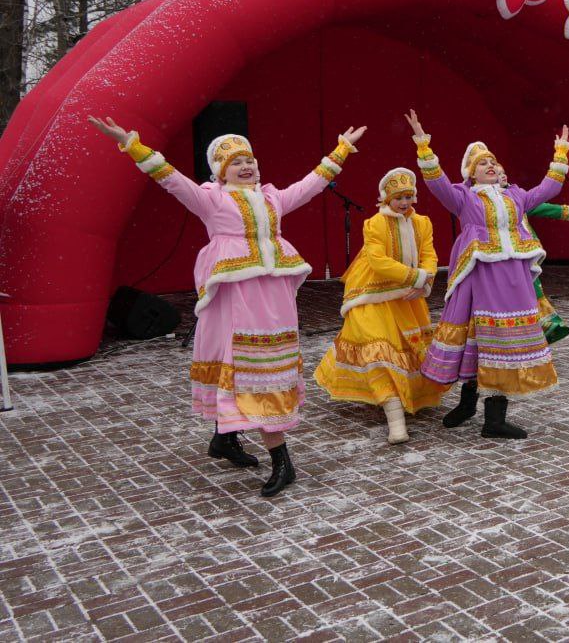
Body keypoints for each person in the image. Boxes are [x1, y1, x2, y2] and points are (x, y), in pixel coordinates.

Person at [89, 114, 365, 497]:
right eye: (235, 161)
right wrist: (132, 144)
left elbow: (311, 184)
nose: (246, 165)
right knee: (247, 365)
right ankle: (281, 459)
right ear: (220, 171)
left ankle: (224, 437)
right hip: (238, 297)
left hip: (274, 296)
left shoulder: (272, 199)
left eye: (249, 159)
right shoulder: (210, 200)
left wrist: (341, 149)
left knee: (257, 363)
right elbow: (169, 177)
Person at [409, 110, 569, 439]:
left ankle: (494, 418)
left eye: (493, 161)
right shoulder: (464, 197)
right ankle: (468, 403)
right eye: (483, 163)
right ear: (471, 172)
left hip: (514, 279)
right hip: (481, 278)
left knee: (505, 343)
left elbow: (548, 190)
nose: (491, 166)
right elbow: (437, 184)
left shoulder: (516, 196)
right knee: (477, 336)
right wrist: (423, 145)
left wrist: (561, 154)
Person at [314, 168, 439, 444]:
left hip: (406, 298)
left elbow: (429, 254)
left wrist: (425, 278)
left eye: (408, 196)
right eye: (398, 198)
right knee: (378, 352)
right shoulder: (375, 223)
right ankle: (396, 420)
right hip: (369, 294)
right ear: (386, 198)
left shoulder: (423, 223)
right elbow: (377, 260)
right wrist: (415, 276)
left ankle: (401, 400)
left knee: (404, 351)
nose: (405, 202)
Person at [500, 166, 569, 344]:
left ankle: (544, 324)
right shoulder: (488, 200)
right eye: (497, 172)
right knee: (519, 293)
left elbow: (538, 205)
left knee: (534, 287)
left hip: (526, 252)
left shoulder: (516, 195)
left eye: (504, 171)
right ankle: (528, 327)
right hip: (507, 253)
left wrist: (562, 212)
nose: (502, 175)